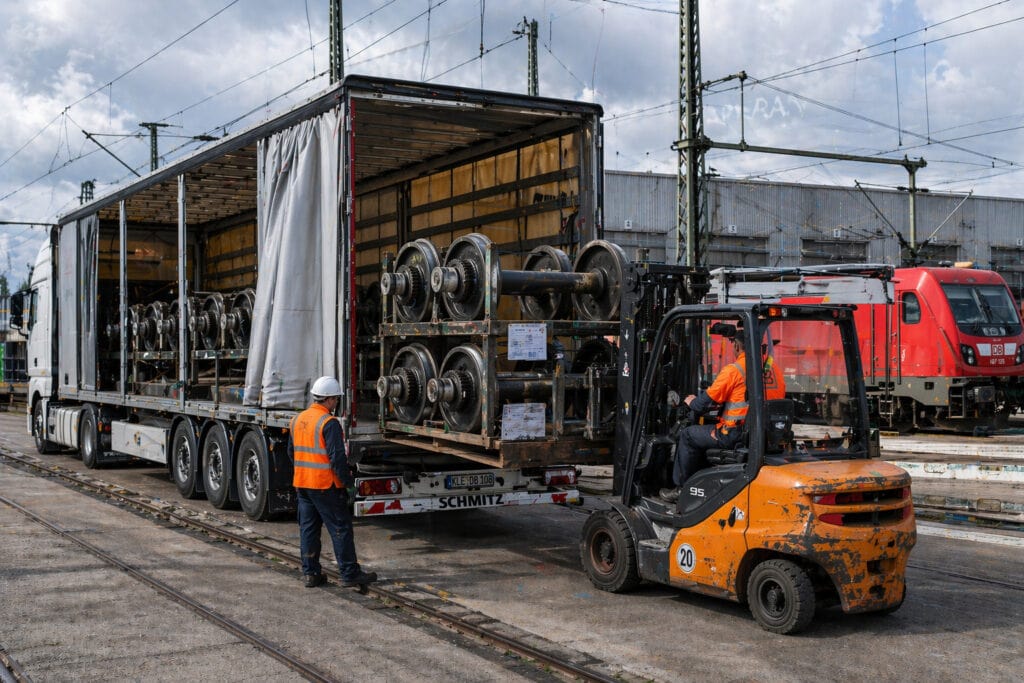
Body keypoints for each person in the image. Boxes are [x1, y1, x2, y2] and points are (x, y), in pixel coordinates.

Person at [290, 375, 377, 588]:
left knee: (308, 530)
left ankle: (311, 574)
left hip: (303, 484)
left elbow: (291, 453)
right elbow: (337, 459)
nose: (336, 402)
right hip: (325, 486)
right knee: (340, 528)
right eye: (336, 399)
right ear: (328, 399)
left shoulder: (297, 420)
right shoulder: (329, 423)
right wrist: (348, 484)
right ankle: (349, 573)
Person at [660, 325, 748, 502]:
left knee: (688, 435)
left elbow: (700, 405)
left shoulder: (734, 371)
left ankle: (682, 489)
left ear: (737, 346)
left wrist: (690, 400)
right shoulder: (769, 370)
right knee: (704, 430)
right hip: (752, 433)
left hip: (732, 434)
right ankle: (703, 481)